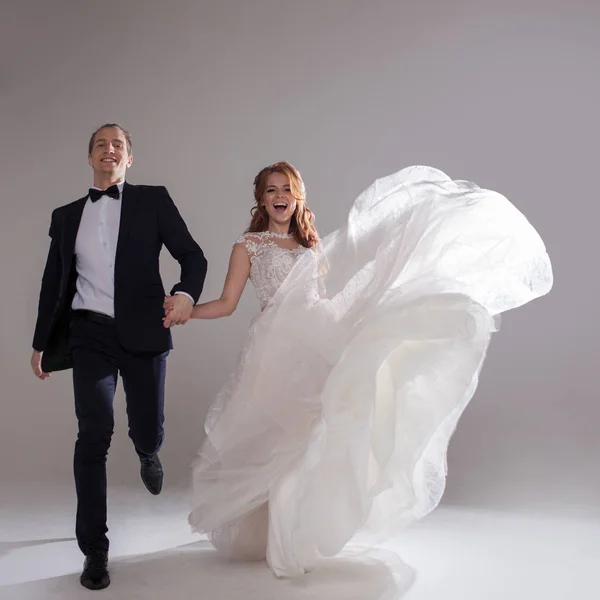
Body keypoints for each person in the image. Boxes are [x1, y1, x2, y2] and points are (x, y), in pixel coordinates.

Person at [165, 161, 552, 578]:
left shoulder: (313, 247)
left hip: (317, 341)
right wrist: (184, 313)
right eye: (272, 189)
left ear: (299, 197)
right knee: (277, 438)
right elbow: (226, 304)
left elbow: (326, 297)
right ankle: (276, 534)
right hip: (274, 349)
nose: (280, 196)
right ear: (261, 198)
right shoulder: (249, 247)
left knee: (313, 433)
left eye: (288, 189)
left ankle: (291, 539)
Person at [31, 124, 207, 590]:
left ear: (129, 159)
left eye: (118, 145)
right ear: (90, 158)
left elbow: (192, 255)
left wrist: (186, 294)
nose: (109, 149)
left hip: (146, 330)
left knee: (145, 426)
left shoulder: (153, 201)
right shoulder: (66, 216)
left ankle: (148, 451)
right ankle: (95, 551)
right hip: (89, 333)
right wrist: (39, 345)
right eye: (100, 144)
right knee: (93, 435)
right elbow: (54, 282)